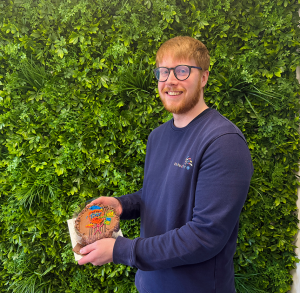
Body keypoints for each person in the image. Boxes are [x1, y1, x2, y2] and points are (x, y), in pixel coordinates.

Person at [78, 36, 254, 293]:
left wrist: (122, 250)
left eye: (182, 71)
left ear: (203, 77)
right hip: (150, 284)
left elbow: (205, 236)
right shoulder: (158, 136)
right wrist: (121, 205)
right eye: (163, 71)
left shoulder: (223, 142)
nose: (170, 80)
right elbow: (157, 197)